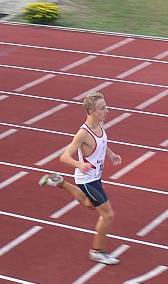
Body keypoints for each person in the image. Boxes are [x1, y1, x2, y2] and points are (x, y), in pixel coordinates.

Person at [39, 92, 122, 265]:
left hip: (96, 177)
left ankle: (59, 182)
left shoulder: (99, 125)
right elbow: (64, 157)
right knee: (107, 215)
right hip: (87, 180)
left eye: (106, 107)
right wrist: (79, 165)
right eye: (102, 108)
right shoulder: (83, 134)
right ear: (91, 112)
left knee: (89, 204)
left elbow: (101, 144)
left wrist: (111, 155)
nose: (107, 111)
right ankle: (97, 251)